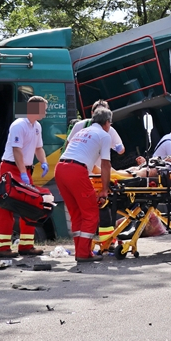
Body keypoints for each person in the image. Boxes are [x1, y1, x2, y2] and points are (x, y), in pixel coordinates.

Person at [0, 96, 49, 258]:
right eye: (44, 109)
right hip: (11, 168)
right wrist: (23, 173)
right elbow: (16, 150)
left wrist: (44, 162)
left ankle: (26, 246)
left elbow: (39, 148)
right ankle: (2, 248)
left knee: (30, 206)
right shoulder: (19, 125)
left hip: (24, 169)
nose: (45, 113)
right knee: (6, 207)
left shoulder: (37, 126)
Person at [56, 106, 113, 262]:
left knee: (77, 214)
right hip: (76, 170)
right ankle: (83, 253)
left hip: (60, 168)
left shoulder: (81, 132)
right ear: (107, 122)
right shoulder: (104, 135)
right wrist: (104, 190)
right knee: (90, 214)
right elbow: (106, 165)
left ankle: (80, 251)